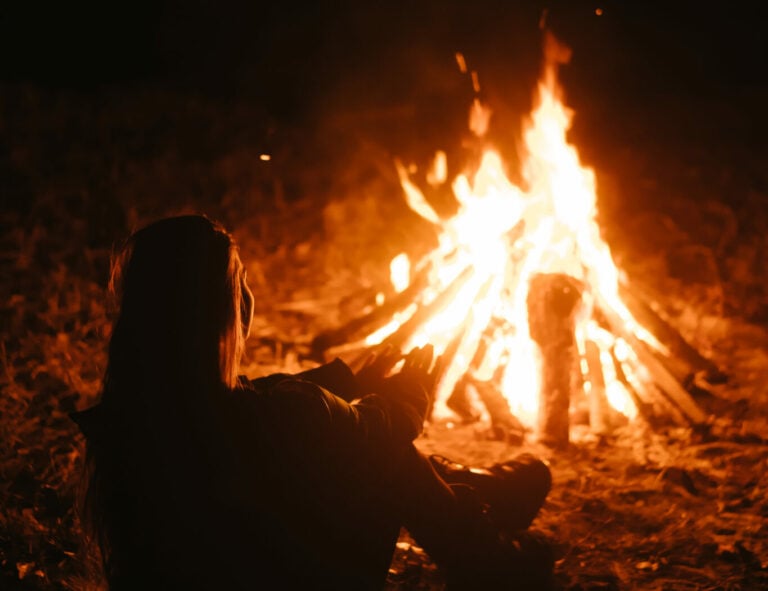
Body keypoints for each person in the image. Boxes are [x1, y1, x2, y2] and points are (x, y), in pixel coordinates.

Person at [71, 213, 554, 590]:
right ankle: (487, 562)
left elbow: (260, 397)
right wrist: (408, 394)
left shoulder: (144, 410)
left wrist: (347, 378)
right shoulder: (277, 416)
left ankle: (480, 497)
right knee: (384, 452)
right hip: (302, 580)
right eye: (241, 282)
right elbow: (378, 429)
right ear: (227, 309)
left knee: (355, 437)